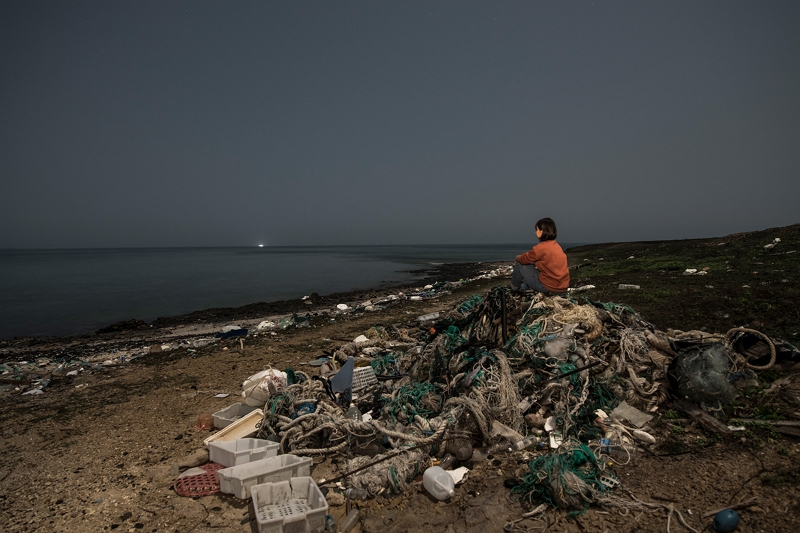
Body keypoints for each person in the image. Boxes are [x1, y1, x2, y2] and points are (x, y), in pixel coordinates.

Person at [510, 217, 570, 295]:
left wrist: (518, 257)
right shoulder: (556, 246)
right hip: (562, 286)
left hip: (548, 286)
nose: (536, 232)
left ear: (544, 231)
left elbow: (524, 259)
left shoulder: (541, 248)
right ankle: (523, 287)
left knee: (520, 264)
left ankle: (514, 288)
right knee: (530, 273)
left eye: (538, 229)